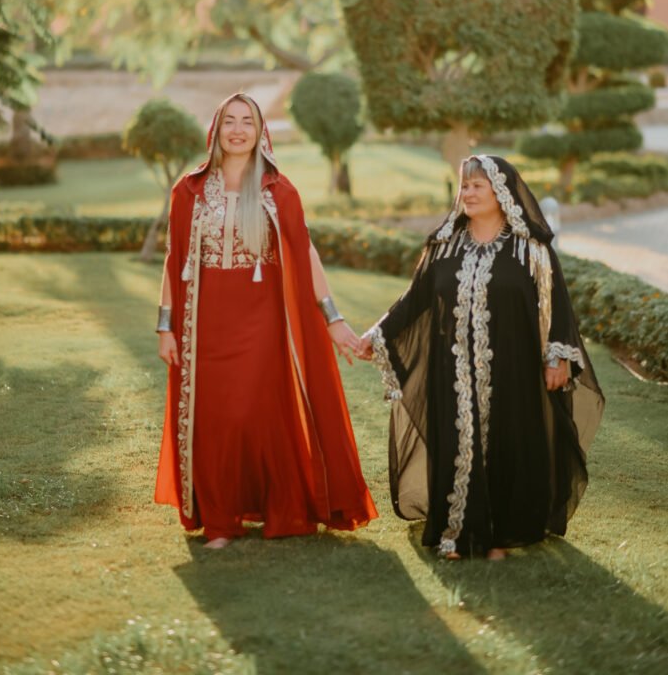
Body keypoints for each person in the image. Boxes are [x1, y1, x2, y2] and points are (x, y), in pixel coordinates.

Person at [154, 92, 377, 548]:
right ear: (216, 129)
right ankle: (220, 519)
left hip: (263, 323)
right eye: (230, 121)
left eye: (247, 122)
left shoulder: (279, 189)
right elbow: (174, 259)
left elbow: (305, 252)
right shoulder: (189, 190)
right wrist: (165, 326)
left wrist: (332, 317)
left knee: (257, 414)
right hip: (205, 323)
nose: (238, 130)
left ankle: (283, 509)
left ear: (260, 132)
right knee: (215, 418)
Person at [360, 154, 604, 560]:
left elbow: (557, 303)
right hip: (451, 370)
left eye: (477, 186)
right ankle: (457, 532)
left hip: (513, 369)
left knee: (507, 442)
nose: (468, 193)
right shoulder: (445, 245)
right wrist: (376, 333)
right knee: (455, 442)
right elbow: (414, 299)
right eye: (464, 186)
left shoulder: (530, 250)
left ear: (502, 192)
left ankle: (500, 535)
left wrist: (557, 356)